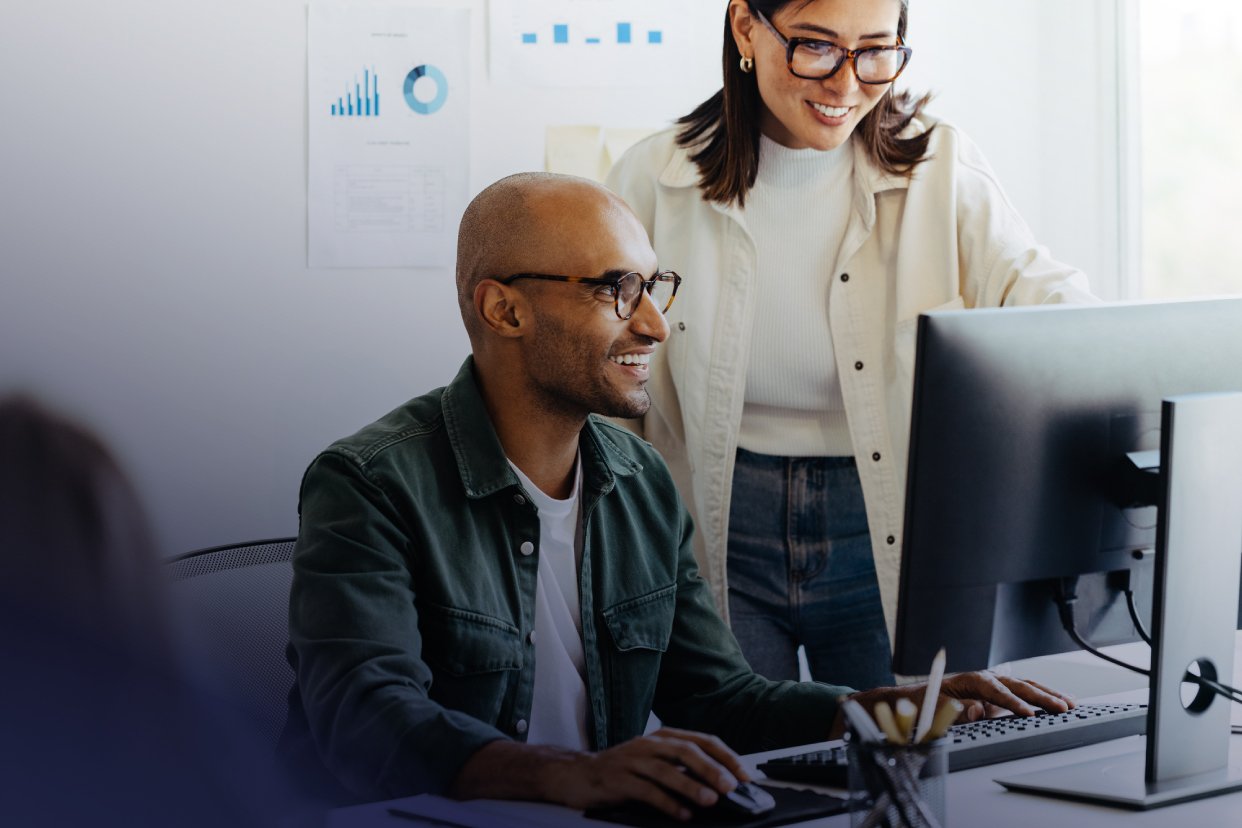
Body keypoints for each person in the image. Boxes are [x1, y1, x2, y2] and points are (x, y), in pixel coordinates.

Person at [280, 172, 1075, 820]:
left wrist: (894, 712)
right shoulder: (370, 483)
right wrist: (567, 776)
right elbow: (364, 720)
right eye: (617, 290)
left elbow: (722, 697)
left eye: (655, 285)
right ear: (505, 309)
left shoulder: (637, 476)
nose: (657, 326)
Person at [605, 0, 1097, 688]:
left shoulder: (942, 165)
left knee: (900, 762)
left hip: (883, 520)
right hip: (716, 523)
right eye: (815, 47)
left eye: (875, 51)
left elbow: (1054, 307)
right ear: (746, 27)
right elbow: (596, 369)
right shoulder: (651, 179)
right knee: (753, 769)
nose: (846, 85)